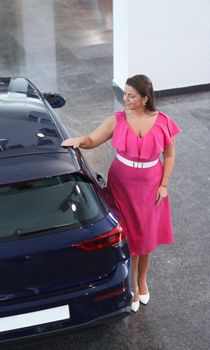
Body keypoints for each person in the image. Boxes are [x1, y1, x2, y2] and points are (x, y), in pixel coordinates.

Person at [61, 74, 180, 313]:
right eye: (125, 94)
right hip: (122, 184)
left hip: (151, 184)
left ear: (145, 98)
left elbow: (169, 155)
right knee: (131, 237)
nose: (125, 99)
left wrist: (164, 184)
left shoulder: (164, 121)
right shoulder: (117, 120)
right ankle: (132, 285)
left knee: (146, 237)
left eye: (131, 95)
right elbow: (92, 140)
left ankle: (142, 280)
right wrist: (77, 141)